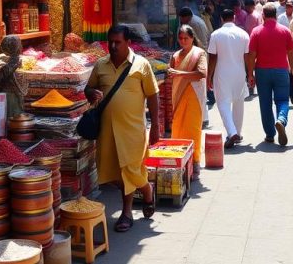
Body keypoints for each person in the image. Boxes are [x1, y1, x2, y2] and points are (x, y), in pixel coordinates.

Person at [84, 25, 160, 232]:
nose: (113, 46)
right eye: (111, 42)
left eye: (118, 42)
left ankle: (126, 213)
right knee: (113, 174)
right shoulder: (100, 65)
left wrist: (156, 126)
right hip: (106, 131)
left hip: (132, 130)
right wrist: (91, 93)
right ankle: (146, 189)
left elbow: (153, 95)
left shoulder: (141, 65)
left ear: (128, 43)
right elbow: (88, 88)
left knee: (129, 170)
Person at [247, 3, 293, 146]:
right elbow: (291, 52)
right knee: (282, 100)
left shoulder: (256, 31)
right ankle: (281, 120)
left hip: (262, 71)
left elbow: (252, 55)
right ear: (275, 15)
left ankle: (270, 134)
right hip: (282, 70)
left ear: (263, 16)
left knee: (265, 103)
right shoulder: (285, 31)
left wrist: (250, 74)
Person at [208, 9, 251, 149]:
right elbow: (247, 57)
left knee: (223, 103)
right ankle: (237, 132)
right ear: (234, 18)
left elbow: (213, 57)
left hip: (222, 73)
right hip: (239, 72)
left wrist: (209, 75)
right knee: (239, 102)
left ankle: (232, 132)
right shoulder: (243, 34)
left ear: (221, 19)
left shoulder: (216, 34)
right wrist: (250, 74)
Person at [170, 25, 207, 177]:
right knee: (177, 127)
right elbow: (171, 74)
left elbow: (201, 73)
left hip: (194, 95)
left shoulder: (199, 54)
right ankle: (178, 160)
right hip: (178, 95)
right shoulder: (175, 56)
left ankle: (195, 162)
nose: (183, 41)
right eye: (181, 38)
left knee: (192, 129)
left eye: (186, 38)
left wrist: (179, 73)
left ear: (192, 38)